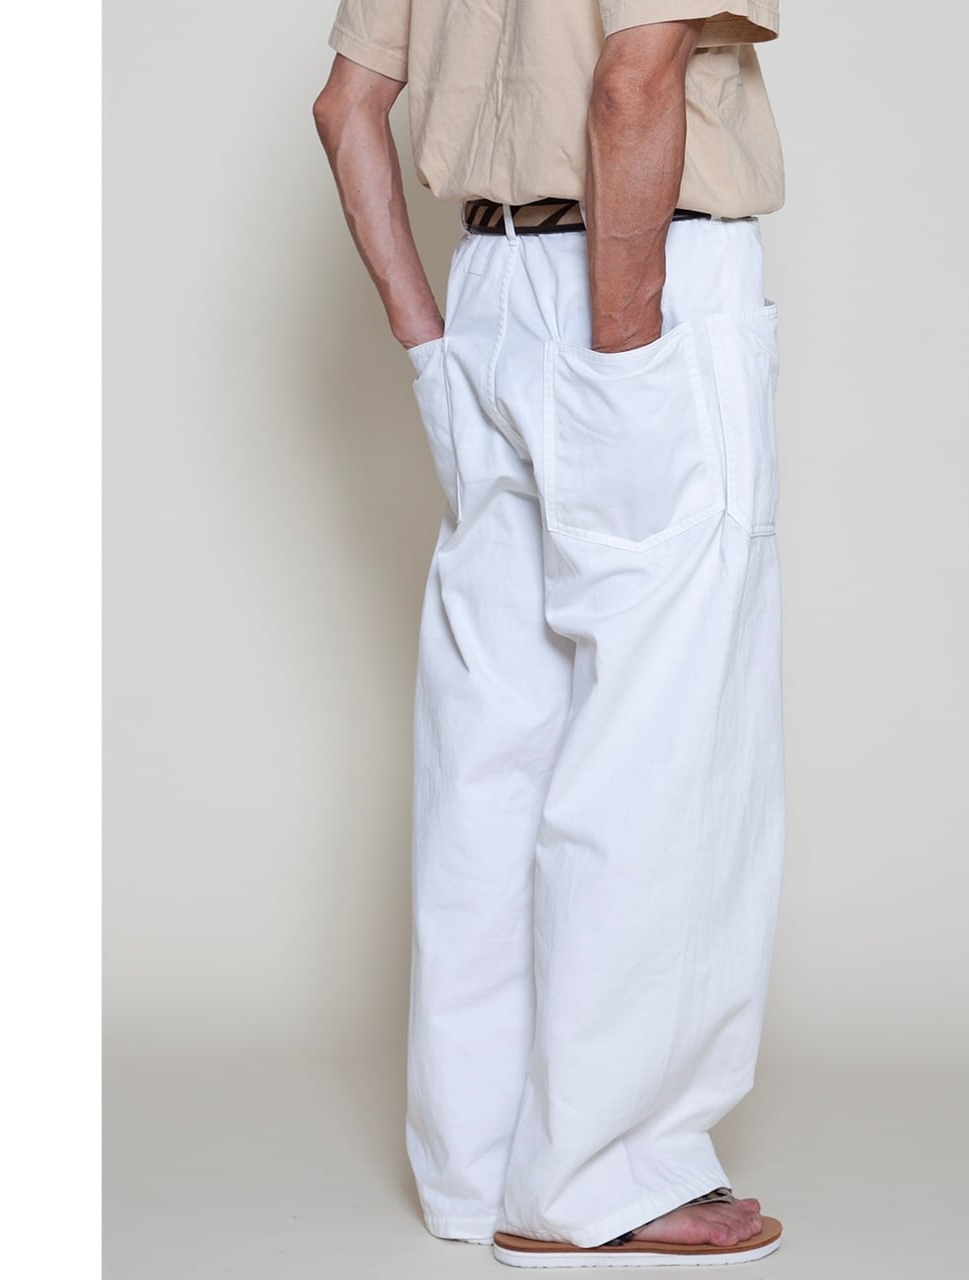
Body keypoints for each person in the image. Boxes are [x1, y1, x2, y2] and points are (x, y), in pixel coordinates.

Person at [313, 1, 788, 1267]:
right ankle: (601, 1173)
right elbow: (635, 79)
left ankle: (475, 1164)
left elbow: (347, 107)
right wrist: (624, 340)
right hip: (634, 284)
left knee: (492, 748)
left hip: (483, 293)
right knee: (657, 745)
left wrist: (428, 345)